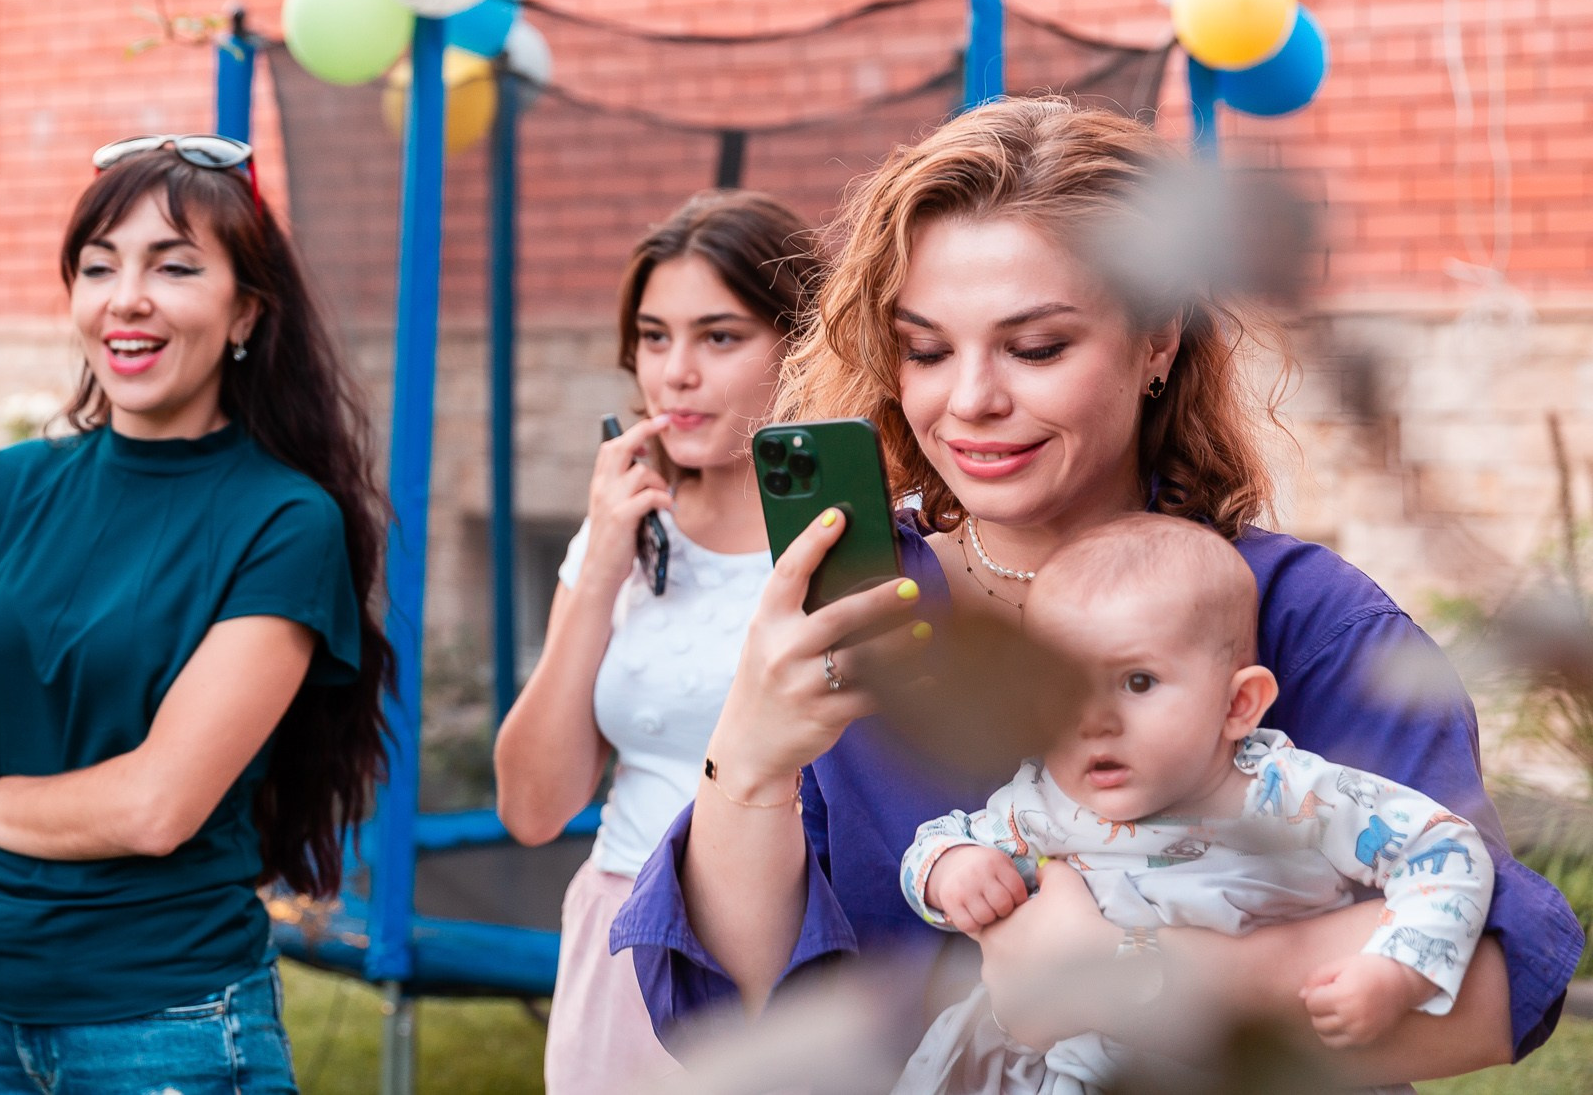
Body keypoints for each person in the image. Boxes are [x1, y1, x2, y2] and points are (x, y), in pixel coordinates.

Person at [610, 99, 1582, 1085]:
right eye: (927, 349)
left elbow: (1501, 985)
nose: (971, 400)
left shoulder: (1296, 617)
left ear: (1156, 341)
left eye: (1035, 347)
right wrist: (751, 757)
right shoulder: (859, 606)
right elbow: (734, 1003)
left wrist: (1133, 979)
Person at [0, 137, 393, 1094]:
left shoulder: (286, 521)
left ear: (247, 310)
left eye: (174, 266)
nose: (126, 296)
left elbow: (154, 806)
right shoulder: (12, 484)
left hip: (163, 1020)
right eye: (100, 266)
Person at [896, 513, 1495, 1093]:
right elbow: (941, 842)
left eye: (1138, 682)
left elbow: (1443, 847)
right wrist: (951, 870)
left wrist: (1398, 970)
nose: (1094, 720)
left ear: (1239, 705)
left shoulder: (1291, 793)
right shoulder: (1041, 804)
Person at [494, 190, 819, 1095]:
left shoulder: (851, 533)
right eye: (653, 336)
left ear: (798, 342)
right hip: (621, 933)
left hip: (795, 949)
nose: (674, 373)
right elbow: (531, 805)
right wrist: (600, 563)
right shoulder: (621, 539)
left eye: (719, 337)